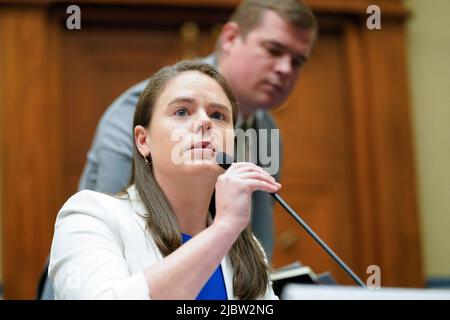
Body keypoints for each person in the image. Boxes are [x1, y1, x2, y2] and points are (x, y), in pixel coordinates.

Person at [78, 0, 317, 260]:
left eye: (297, 61)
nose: (285, 69)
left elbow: (255, 243)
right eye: (273, 50)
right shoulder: (141, 110)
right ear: (231, 38)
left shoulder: (265, 129)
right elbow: (113, 238)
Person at [48, 61, 281, 299]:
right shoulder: (90, 216)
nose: (205, 122)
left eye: (218, 115)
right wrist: (223, 229)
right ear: (143, 141)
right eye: (181, 112)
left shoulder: (247, 248)